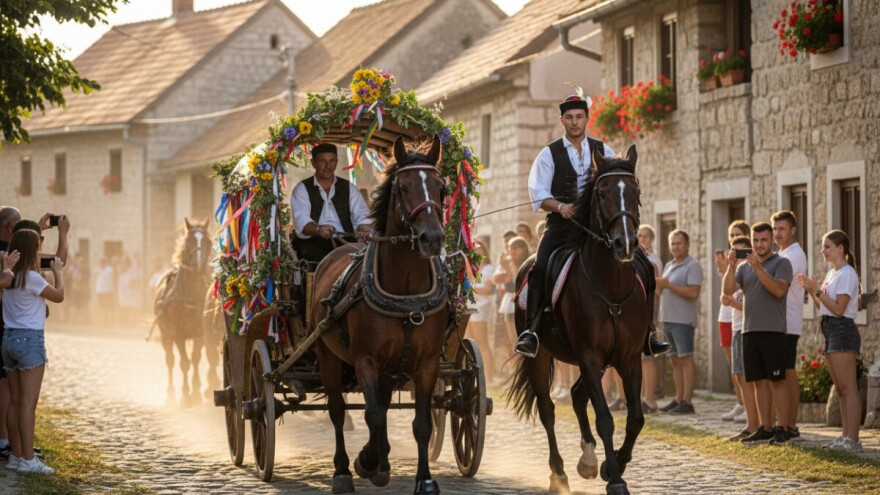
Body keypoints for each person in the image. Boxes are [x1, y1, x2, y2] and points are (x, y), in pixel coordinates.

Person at [517, 92, 668, 358]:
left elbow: (617, 182)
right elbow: (538, 195)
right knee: (540, 267)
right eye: (569, 118)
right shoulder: (548, 154)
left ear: (587, 118)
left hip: (599, 230)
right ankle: (531, 331)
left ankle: (649, 332)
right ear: (561, 120)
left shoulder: (604, 150)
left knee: (644, 264)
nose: (575, 122)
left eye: (579, 117)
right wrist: (561, 207)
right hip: (562, 228)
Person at [723, 222, 793, 445]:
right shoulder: (744, 267)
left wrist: (759, 268)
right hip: (749, 330)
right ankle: (765, 427)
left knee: (777, 381)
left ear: (772, 240)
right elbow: (727, 290)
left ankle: (783, 428)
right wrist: (731, 266)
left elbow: (779, 290)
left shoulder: (782, 263)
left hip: (773, 330)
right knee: (758, 382)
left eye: (763, 240)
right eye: (755, 240)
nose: (759, 245)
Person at [2, 228, 63, 474]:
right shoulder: (33, 278)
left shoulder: (7, 277)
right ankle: (28, 459)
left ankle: (16, 456)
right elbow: (59, 296)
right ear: (32, 251)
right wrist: (57, 273)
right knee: (28, 404)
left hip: (8, 339)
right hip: (30, 341)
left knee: (15, 403)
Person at [797, 230, 862, 450]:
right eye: (823, 246)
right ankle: (845, 436)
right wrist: (813, 292)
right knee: (840, 388)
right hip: (830, 329)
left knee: (848, 387)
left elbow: (839, 309)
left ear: (840, 249)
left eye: (827, 247)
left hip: (842, 329)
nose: (823, 251)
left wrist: (818, 292)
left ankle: (853, 439)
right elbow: (824, 307)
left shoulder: (847, 273)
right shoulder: (831, 274)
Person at [290, 143, 371, 263]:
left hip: (345, 241)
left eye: (332, 160)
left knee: (364, 260)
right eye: (323, 161)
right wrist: (319, 229)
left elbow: (361, 213)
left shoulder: (348, 187)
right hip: (313, 242)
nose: (328, 166)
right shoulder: (302, 189)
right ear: (313, 163)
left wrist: (363, 227)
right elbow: (301, 219)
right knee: (316, 257)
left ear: (337, 162)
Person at [657, 230, 703, 415]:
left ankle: (687, 401)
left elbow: (693, 293)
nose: (676, 246)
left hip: (683, 320)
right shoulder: (669, 264)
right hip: (667, 318)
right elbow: (664, 289)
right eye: (673, 243)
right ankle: (678, 399)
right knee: (674, 361)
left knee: (685, 359)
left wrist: (668, 285)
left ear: (687, 245)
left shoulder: (692, 266)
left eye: (679, 243)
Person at [771, 210, 807, 439]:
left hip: (787, 321)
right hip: (780, 321)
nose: (777, 234)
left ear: (793, 230)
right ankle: (787, 422)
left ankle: (790, 424)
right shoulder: (782, 253)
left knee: (787, 373)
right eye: (775, 229)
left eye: (781, 229)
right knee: (786, 372)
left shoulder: (793, 255)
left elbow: (776, 285)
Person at [724, 236, 760, 441]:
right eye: (734, 251)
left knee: (749, 377)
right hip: (737, 326)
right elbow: (727, 290)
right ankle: (751, 424)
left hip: (749, 326)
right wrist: (730, 266)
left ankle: (756, 422)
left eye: (741, 251)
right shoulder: (737, 269)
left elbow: (755, 302)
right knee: (739, 375)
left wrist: (735, 304)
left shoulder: (753, 268)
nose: (738, 255)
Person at [717, 220, 750, 422]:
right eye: (731, 235)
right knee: (734, 366)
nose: (732, 238)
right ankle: (740, 402)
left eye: (737, 234)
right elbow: (727, 287)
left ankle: (748, 406)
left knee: (742, 366)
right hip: (727, 314)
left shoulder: (748, 263)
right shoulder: (731, 261)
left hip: (741, 316)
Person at [637, 224, 662, 413]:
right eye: (640, 236)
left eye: (646, 236)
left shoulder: (653, 260)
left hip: (649, 311)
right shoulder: (636, 257)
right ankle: (642, 396)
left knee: (648, 357)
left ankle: (650, 398)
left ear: (652, 239)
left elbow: (657, 289)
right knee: (639, 359)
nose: (642, 239)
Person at [493, 236, 531, 357]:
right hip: (509, 302)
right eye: (511, 247)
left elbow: (517, 281)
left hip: (526, 299)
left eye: (516, 247)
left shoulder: (529, 262)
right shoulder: (506, 262)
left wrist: (508, 272)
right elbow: (496, 279)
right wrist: (507, 272)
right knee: (511, 338)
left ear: (524, 248)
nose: (513, 251)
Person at [466, 242, 496, 385]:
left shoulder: (489, 269)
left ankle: (489, 377)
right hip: (470, 305)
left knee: (482, 342)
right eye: (475, 250)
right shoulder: (473, 269)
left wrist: (471, 290)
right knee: (470, 341)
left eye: (480, 250)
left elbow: (488, 290)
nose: (477, 253)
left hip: (481, 307)